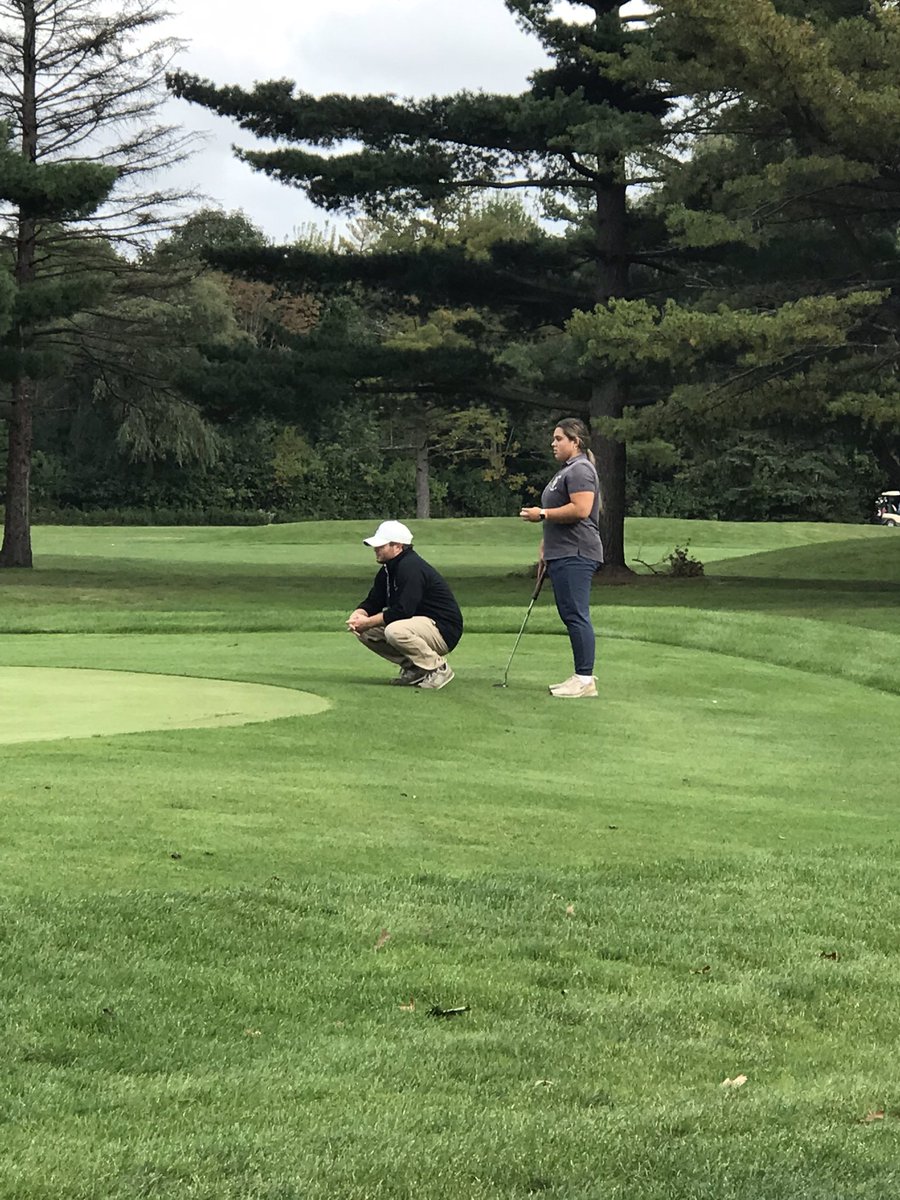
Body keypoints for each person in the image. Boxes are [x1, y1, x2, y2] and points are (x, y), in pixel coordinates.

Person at [519, 418, 603, 698]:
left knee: (576, 614)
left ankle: (585, 679)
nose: (553, 444)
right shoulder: (567, 470)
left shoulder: (580, 470)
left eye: (559, 439)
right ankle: (580, 675)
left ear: (575, 442)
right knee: (570, 614)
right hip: (561, 551)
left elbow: (581, 509)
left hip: (576, 551)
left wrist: (541, 514)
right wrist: (546, 546)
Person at [346, 520, 463, 690]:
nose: (376, 549)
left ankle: (438, 668)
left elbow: (403, 611)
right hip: (419, 626)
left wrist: (368, 622)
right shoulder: (388, 569)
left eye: (381, 546)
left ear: (398, 546)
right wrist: (359, 615)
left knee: (394, 631)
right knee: (364, 631)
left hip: (443, 630)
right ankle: (416, 668)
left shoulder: (411, 567)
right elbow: (373, 601)